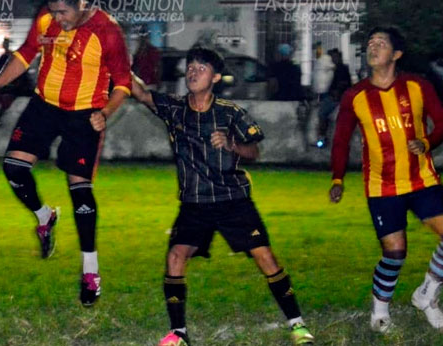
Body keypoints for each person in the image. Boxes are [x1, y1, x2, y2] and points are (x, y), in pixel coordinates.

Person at [130, 47, 315, 346]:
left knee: (264, 256)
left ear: (215, 77)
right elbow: (139, 93)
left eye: (201, 68)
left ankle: (297, 324)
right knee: (176, 256)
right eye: (190, 67)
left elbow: (254, 151)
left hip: (233, 201)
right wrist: (115, 59)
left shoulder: (230, 113)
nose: (193, 72)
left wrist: (232, 145)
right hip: (194, 203)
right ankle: (178, 333)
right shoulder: (175, 108)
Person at [0, 0, 130, 307]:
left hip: (84, 113)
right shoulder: (46, 20)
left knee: (81, 192)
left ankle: (91, 271)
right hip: (44, 105)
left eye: (63, 13)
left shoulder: (108, 32)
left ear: (82, 5)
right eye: (53, 12)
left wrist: (107, 111)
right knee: (13, 169)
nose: (57, 19)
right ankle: (45, 216)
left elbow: (122, 82)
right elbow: (26, 53)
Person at [329, 26, 443, 332]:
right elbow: (341, 140)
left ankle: (427, 293)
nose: (373, 47)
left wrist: (427, 142)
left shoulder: (418, 86)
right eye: (370, 43)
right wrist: (338, 179)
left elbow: (442, 123)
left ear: (396, 54)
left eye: (381, 43)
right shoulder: (355, 95)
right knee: (394, 252)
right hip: (383, 187)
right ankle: (380, 314)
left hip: (422, 180)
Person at [316, 48, 352, 146]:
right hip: (335, 96)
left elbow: (343, 84)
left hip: (337, 97)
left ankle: (322, 137)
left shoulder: (341, 69)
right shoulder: (335, 69)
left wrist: (337, 93)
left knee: (322, 113)